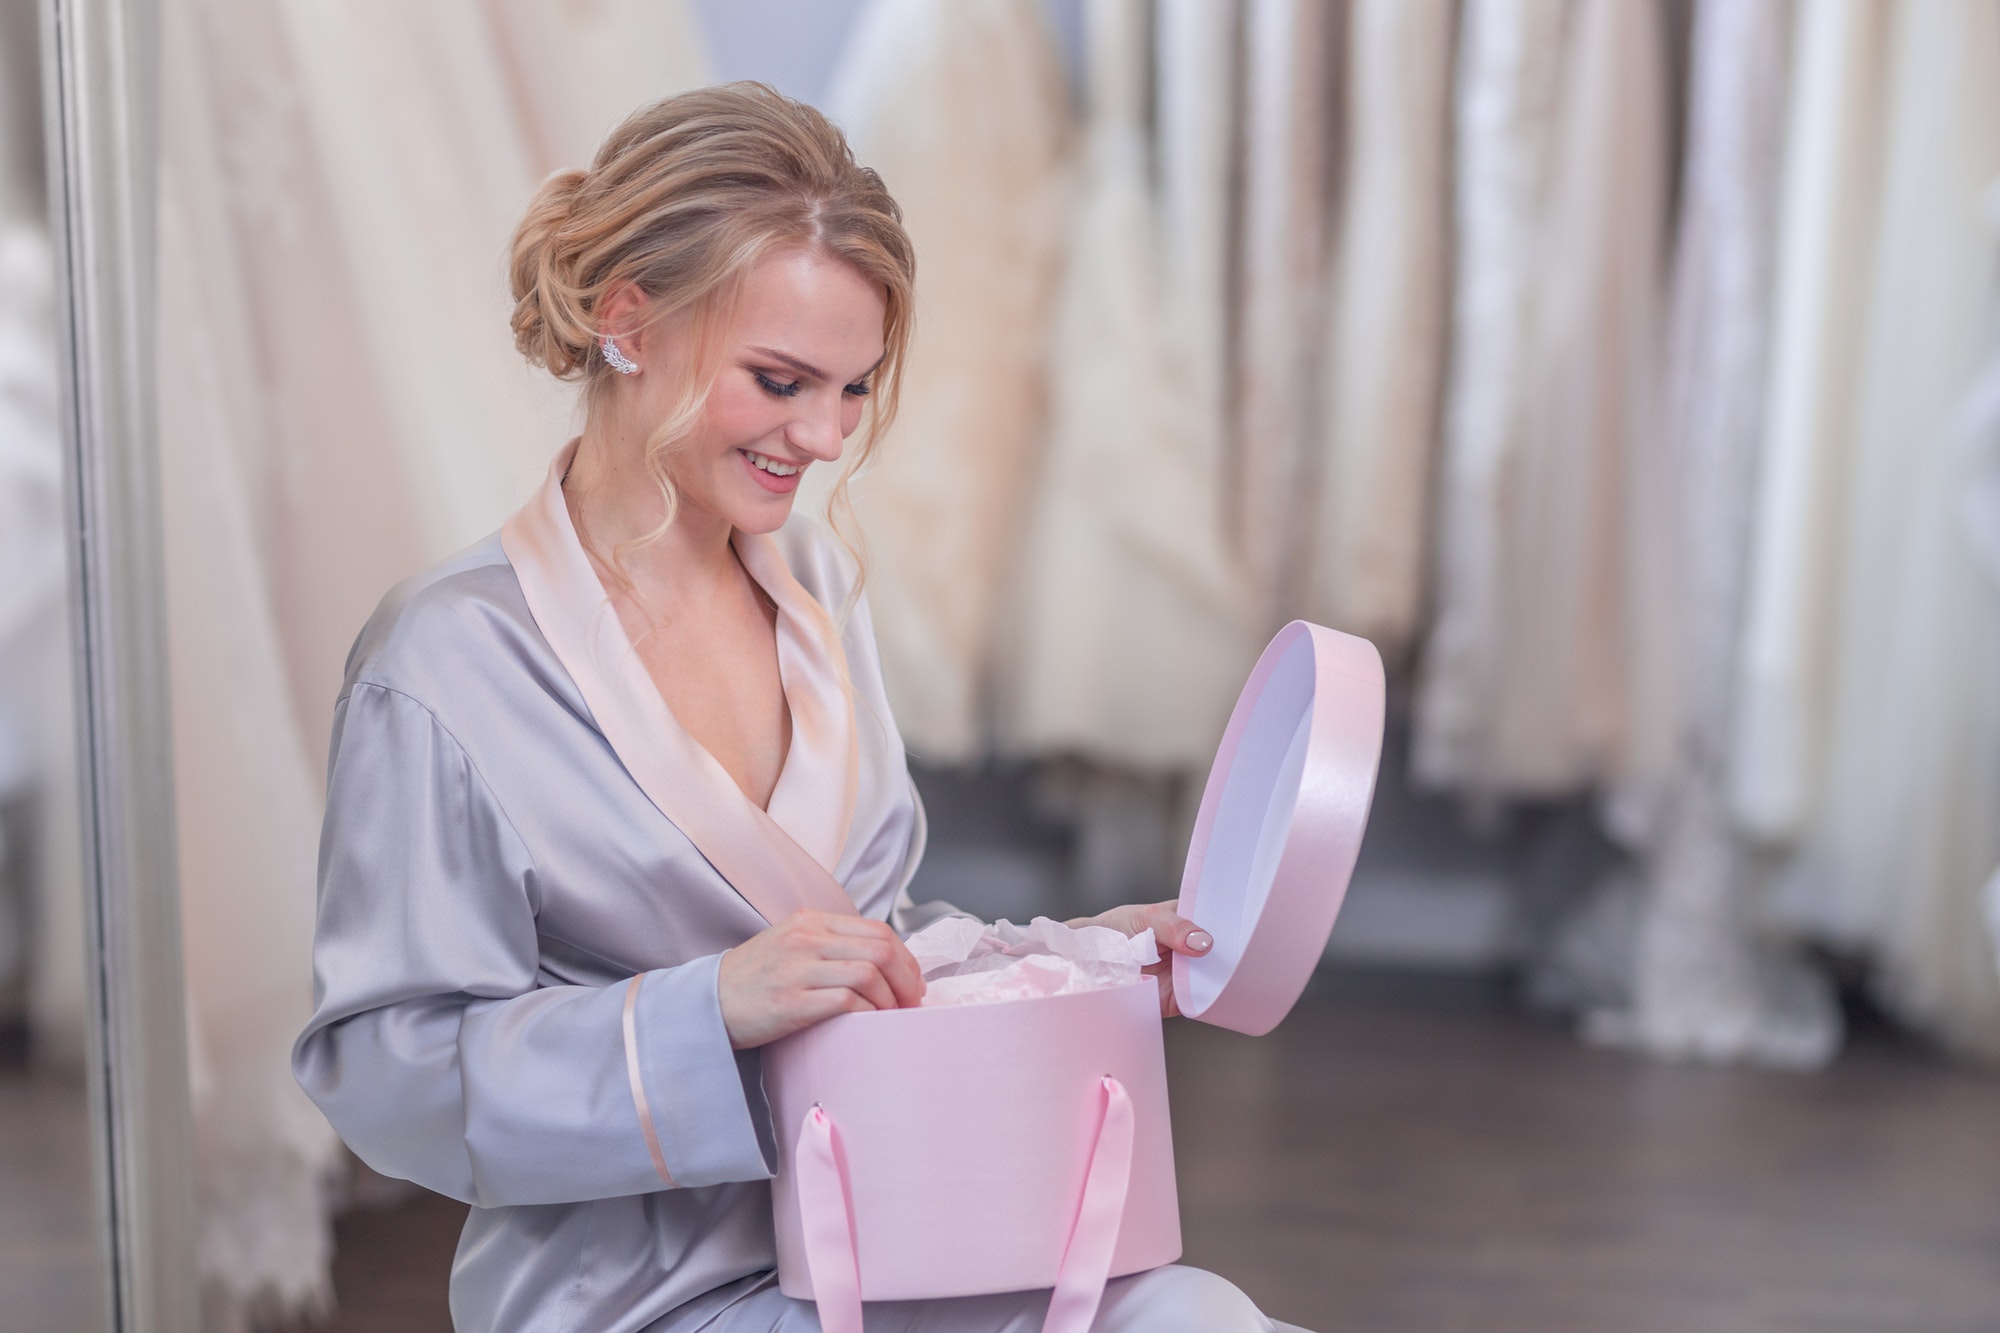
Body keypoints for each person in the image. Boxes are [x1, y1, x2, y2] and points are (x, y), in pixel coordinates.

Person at [294, 83, 1305, 1332]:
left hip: (908, 1232)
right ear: (626, 322)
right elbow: (385, 1073)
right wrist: (704, 1007)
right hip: (651, 1293)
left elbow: (852, 940)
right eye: (779, 381)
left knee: (1196, 1314)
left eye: (851, 390)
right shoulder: (443, 663)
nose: (823, 436)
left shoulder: (814, 589)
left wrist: (1057, 961)